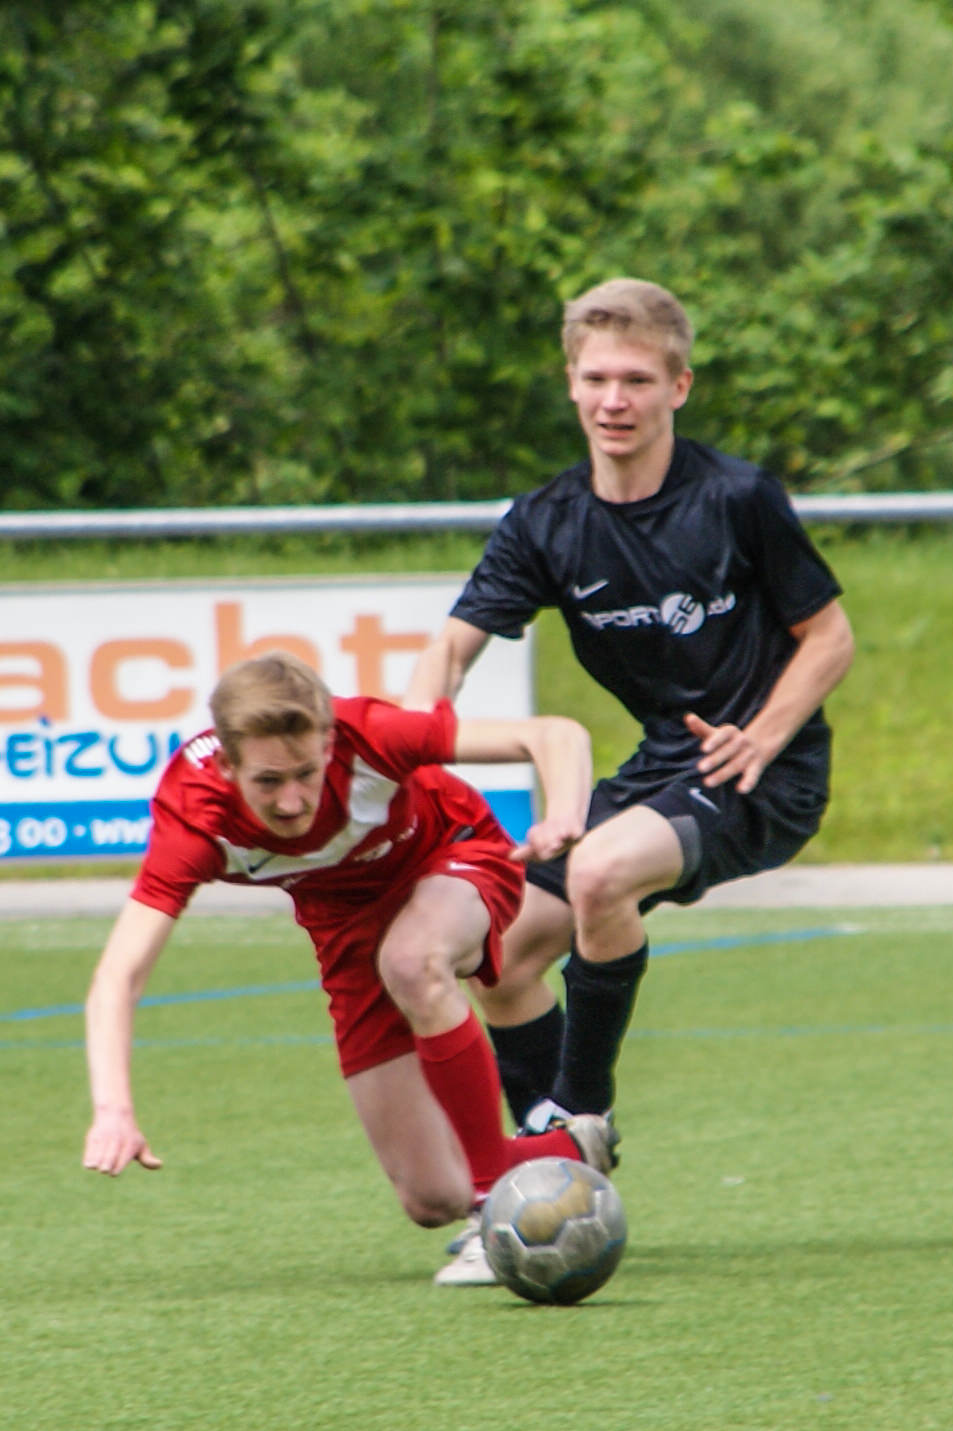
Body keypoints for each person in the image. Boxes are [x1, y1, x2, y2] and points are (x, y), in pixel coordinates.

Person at [406, 275, 855, 1193]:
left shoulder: (736, 497)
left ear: (678, 387)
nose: (615, 400)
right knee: (500, 956)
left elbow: (830, 637)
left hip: (765, 774)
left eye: (638, 380)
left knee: (597, 871)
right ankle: (550, 1168)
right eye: (597, 379)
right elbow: (450, 650)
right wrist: (411, 744)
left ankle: (578, 1128)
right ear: (571, 383)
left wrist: (764, 735)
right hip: (663, 768)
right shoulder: (545, 523)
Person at [82, 651, 619, 1288]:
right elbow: (119, 976)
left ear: (329, 744)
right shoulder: (194, 819)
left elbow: (556, 734)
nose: (291, 801)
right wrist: (113, 1109)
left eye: (306, 774)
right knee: (430, 1196)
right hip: (345, 931)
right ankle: (574, 1146)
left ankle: (488, 1209)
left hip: (457, 856)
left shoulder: (370, 733)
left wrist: (563, 814)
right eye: (268, 781)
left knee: (413, 961)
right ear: (227, 766)